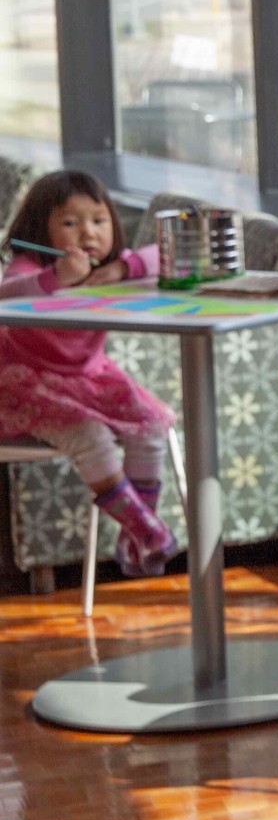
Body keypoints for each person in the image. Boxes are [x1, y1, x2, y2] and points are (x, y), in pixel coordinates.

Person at [0, 171, 179, 576]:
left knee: (150, 426)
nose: (88, 233)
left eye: (98, 221)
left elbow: (162, 255)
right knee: (91, 436)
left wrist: (123, 268)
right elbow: (9, 290)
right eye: (69, 223)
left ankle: (139, 535)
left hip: (90, 377)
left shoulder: (112, 267)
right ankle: (145, 530)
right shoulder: (33, 267)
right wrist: (55, 279)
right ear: (39, 229)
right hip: (26, 380)